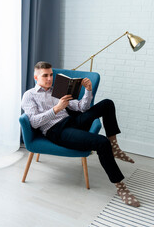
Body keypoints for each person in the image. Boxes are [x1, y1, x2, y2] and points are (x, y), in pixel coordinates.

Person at [21, 61, 140, 207]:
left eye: (51, 75)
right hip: (56, 131)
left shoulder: (57, 90)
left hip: (72, 121)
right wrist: (56, 109)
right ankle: (121, 187)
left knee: (107, 104)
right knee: (101, 142)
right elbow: (33, 122)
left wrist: (88, 91)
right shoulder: (29, 95)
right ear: (36, 77)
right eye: (45, 75)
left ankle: (114, 146)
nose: (50, 78)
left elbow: (81, 108)